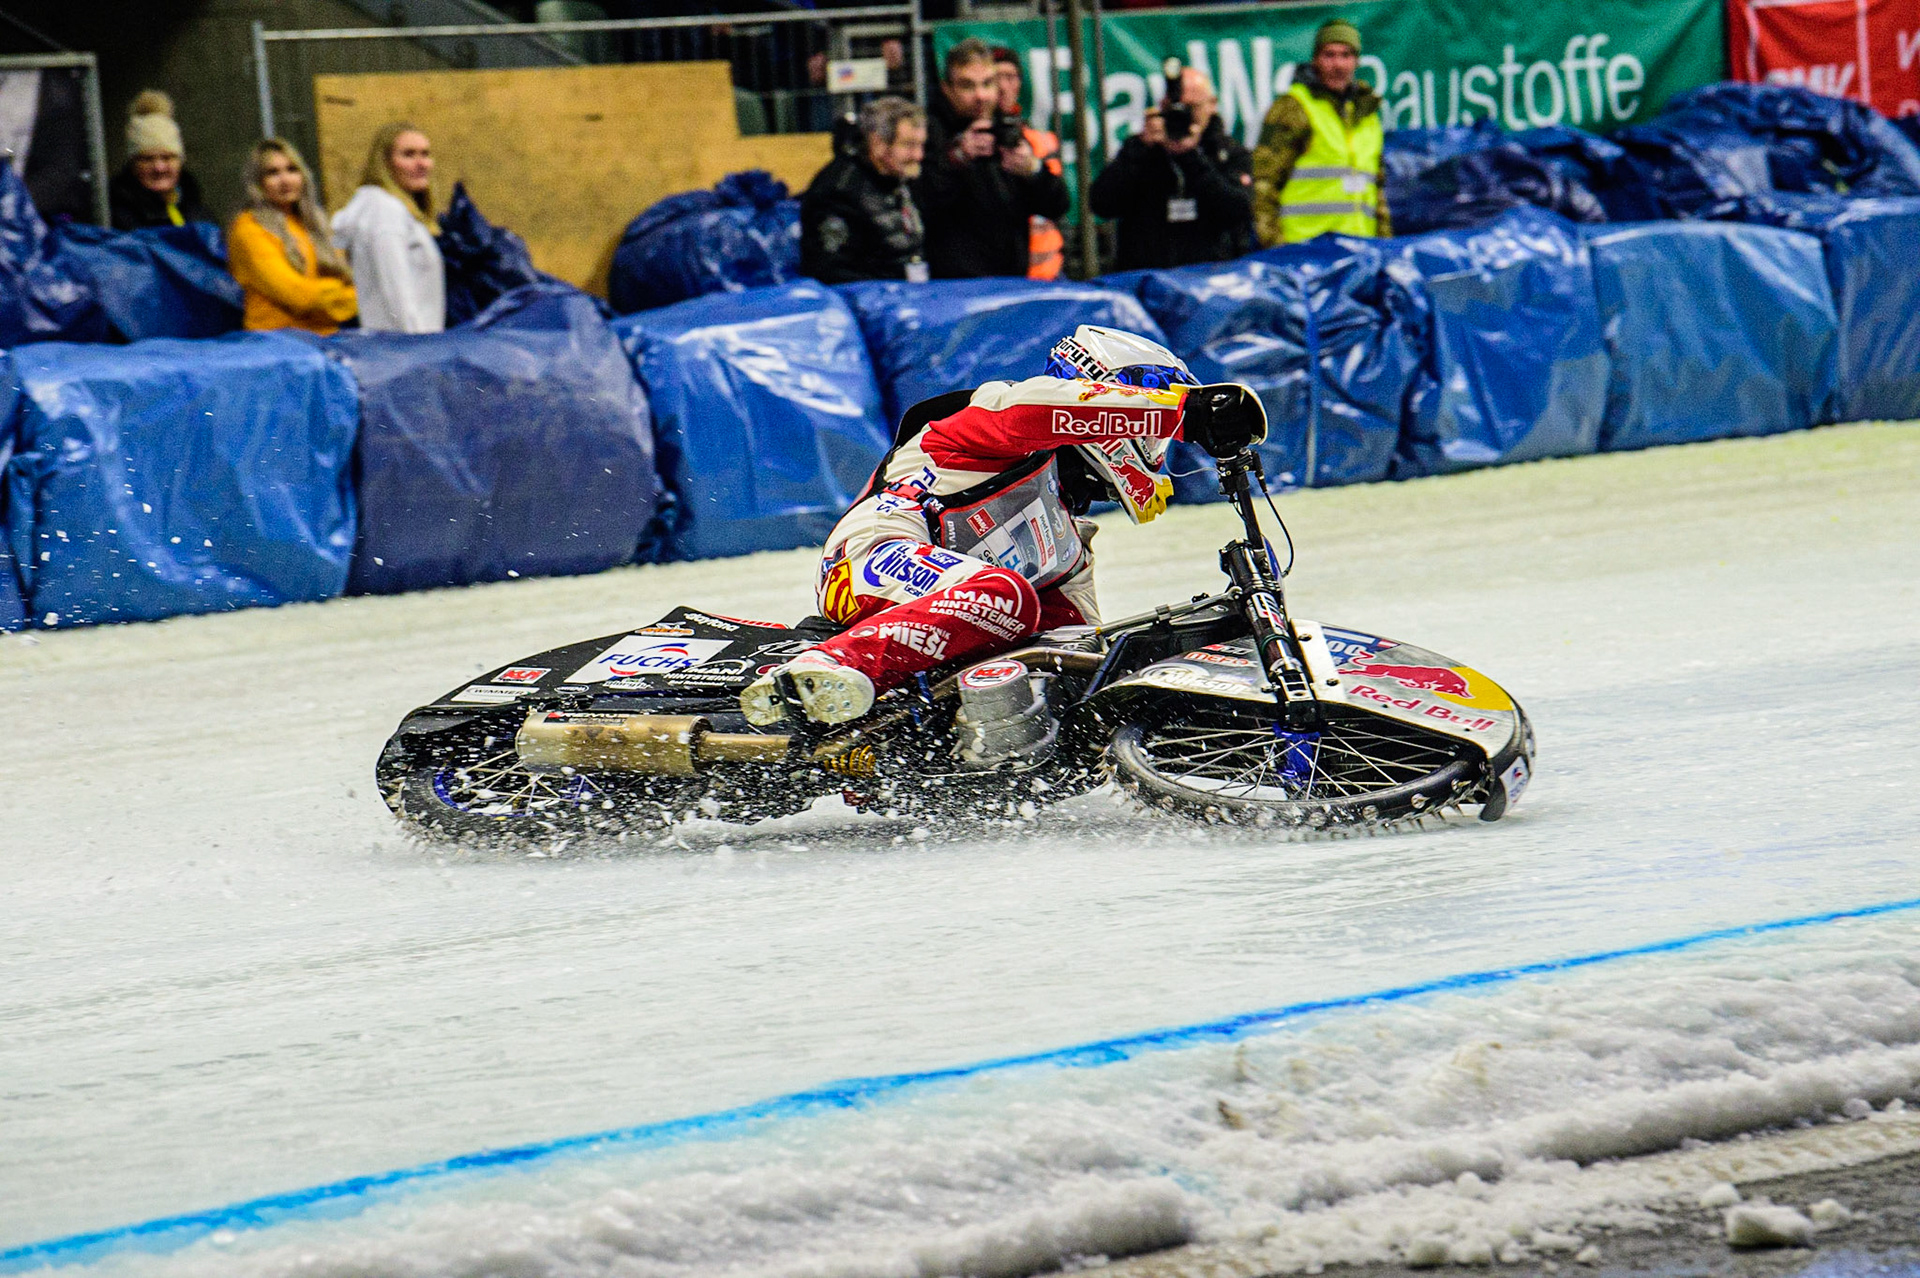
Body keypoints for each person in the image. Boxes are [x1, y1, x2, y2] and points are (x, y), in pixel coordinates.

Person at [739, 327, 1267, 727]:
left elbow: (1076, 645)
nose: (1153, 447)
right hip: (872, 552)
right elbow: (1033, 411)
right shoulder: (994, 416)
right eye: (1142, 411)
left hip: (952, 605)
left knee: (1067, 645)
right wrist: (1179, 410)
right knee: (1003, 593)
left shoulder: (1067, 537)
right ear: (1108, 394)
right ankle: (819, 668)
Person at [915, 38, 1070, 279]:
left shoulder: (1007, 129)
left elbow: (1058, 205)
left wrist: (1033, 171)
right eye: (967, 86)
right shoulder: (926, 134)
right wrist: (956, 158)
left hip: (1012, 281)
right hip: (953, 288)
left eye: (987, 84)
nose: (980, 96)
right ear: (947, 89)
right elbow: (919, 204)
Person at [1089, 65, 1252, 271]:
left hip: (1209, 281)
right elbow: (1101, 204)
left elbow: (1237, 210)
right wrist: (1140, 148)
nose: (1183, 118)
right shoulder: (1143, 150)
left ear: (1212, 105)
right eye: (1175, 110)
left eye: (1191, 109)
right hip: (1148, 279)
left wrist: (1191, 157)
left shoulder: (1228, 153)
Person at [1250, 18, 1390, 247]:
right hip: (1305, 256)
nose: (1339, 65)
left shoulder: (1367, 115)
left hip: (1361, 252)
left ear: (1356, 61)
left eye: (1346, 55)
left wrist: (1384, 249)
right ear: (1315, 60)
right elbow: (1263, 184)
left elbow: (1378, 193)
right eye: (1329, 55)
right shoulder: (1292, 108)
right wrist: (1277, 249)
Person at [226, 138, 357, 335]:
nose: (285, 180)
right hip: (276, 344)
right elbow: (297, 295)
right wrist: (351, 295)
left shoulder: (313, 223)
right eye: (273, 173)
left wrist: (346, 293)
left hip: (325, 339)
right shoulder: (248, 229)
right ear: (257, 182)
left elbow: (346, 276)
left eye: (292, 169)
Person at [799, 97, 928, 285]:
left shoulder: (897, 176)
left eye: (921, 145)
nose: (918, 155)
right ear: (878, 143)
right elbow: (832, 271)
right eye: (908, 145)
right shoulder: (838, 191)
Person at [331, 123, 446, 333]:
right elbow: (396, 295)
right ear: (384, 163)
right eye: (409, 155)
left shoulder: (394, 210)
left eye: (425, 154)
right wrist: (418, 349)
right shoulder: (385, 212)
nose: (422, 164)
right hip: (404, 350)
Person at [990, 45, 1064, 281]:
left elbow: (1059, 203)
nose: (1003, 87)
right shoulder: (974, 142)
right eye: (995, 78)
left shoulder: (1042, 141)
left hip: (1049, 273)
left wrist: (1033, 169)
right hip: (1001, 274)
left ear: (1020, 83)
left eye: (1009, 77)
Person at [108, 90, 212, 231]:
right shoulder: (115, 215)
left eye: (167, 157)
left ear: (180, 161)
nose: (159, 167)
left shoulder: (195, 208)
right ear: (133, 164)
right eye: (148, 159)